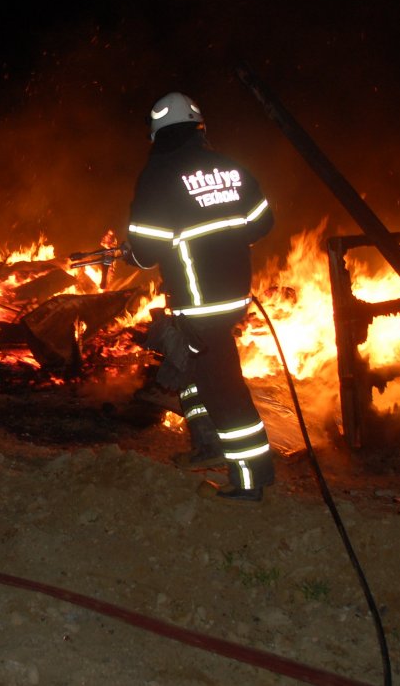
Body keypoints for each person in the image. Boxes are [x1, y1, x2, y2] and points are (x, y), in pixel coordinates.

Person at [122, 91, 276, 502]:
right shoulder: (228, 167)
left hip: (198, 304)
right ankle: (207, 446)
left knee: (224, 389)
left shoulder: (158, 176)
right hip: (233, 297)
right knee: (194, 372)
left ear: (157, 135)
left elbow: (145, 252)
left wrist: (130, 253)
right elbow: (262, 222)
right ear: (199, 127)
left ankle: (249, 480)